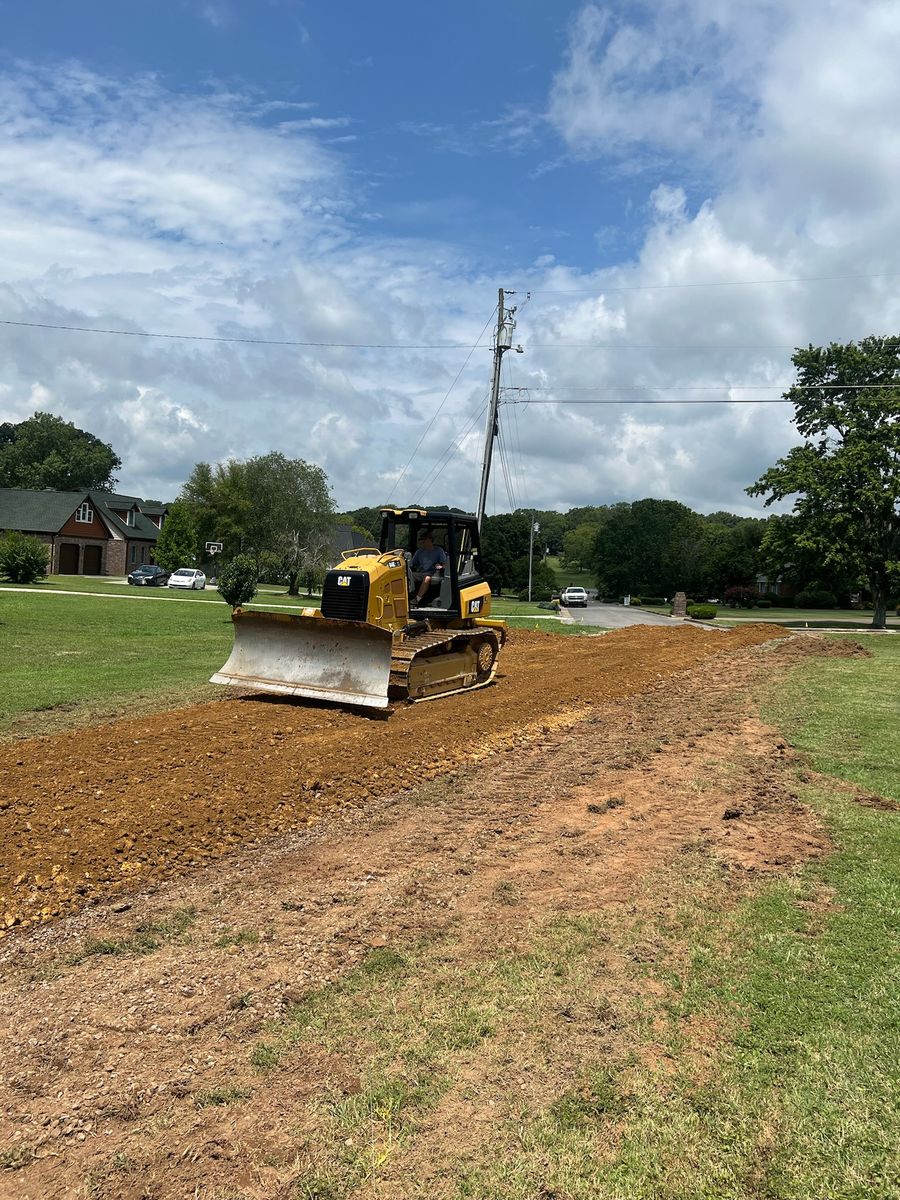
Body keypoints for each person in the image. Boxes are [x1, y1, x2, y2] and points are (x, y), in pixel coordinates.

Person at [411, 529, 449, 604]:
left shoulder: (438, 550)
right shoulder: (419, 551)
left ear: (430, 539)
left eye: (424, 539)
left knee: (427, 578)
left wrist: (441, 566)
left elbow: (445, 564)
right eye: (421, 539)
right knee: (406, 576)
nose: (422, 541)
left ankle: (417, 599)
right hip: (421, 573)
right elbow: (412, 563)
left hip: (433, 573)